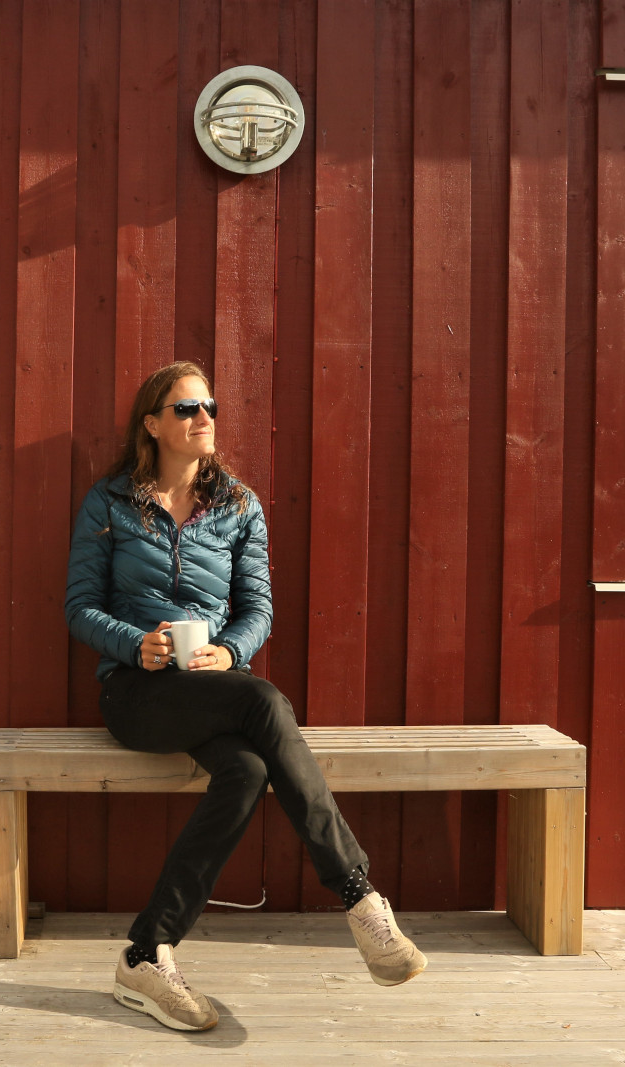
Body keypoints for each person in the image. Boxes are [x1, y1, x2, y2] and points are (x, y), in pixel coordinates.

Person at [64, 360, 426, 1032]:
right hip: (136, 691)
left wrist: (228, 651)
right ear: (153, 424)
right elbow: (80, 607)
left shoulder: (237, 505)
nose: (204, 418)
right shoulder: (108, 503)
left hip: (213, 684)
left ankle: (146, 951)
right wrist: (132, 642)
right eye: (186, 408)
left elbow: (258, 606)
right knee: (264, 703)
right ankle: (359, 895)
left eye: (210, 406)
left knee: (250, 765)